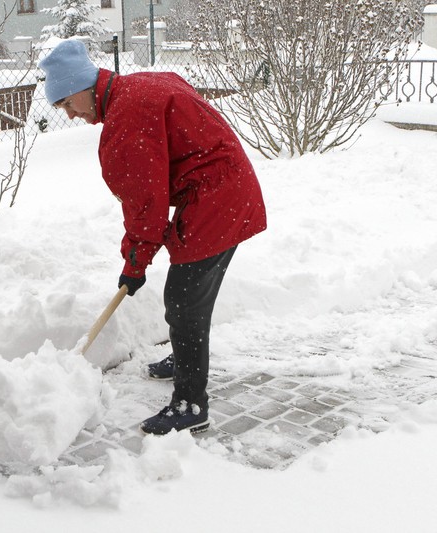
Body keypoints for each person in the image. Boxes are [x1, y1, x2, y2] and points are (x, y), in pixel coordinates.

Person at [38, 40, 267, 435]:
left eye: (66, 104)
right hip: (227, 191)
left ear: (80, 86)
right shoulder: (136, 88)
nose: (71, 115)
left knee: (183, 302)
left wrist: (134, 264)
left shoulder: (128, 117)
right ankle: (185, 358)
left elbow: (146, 203)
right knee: (193, 295)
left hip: (216, 198)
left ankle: (191, 405)